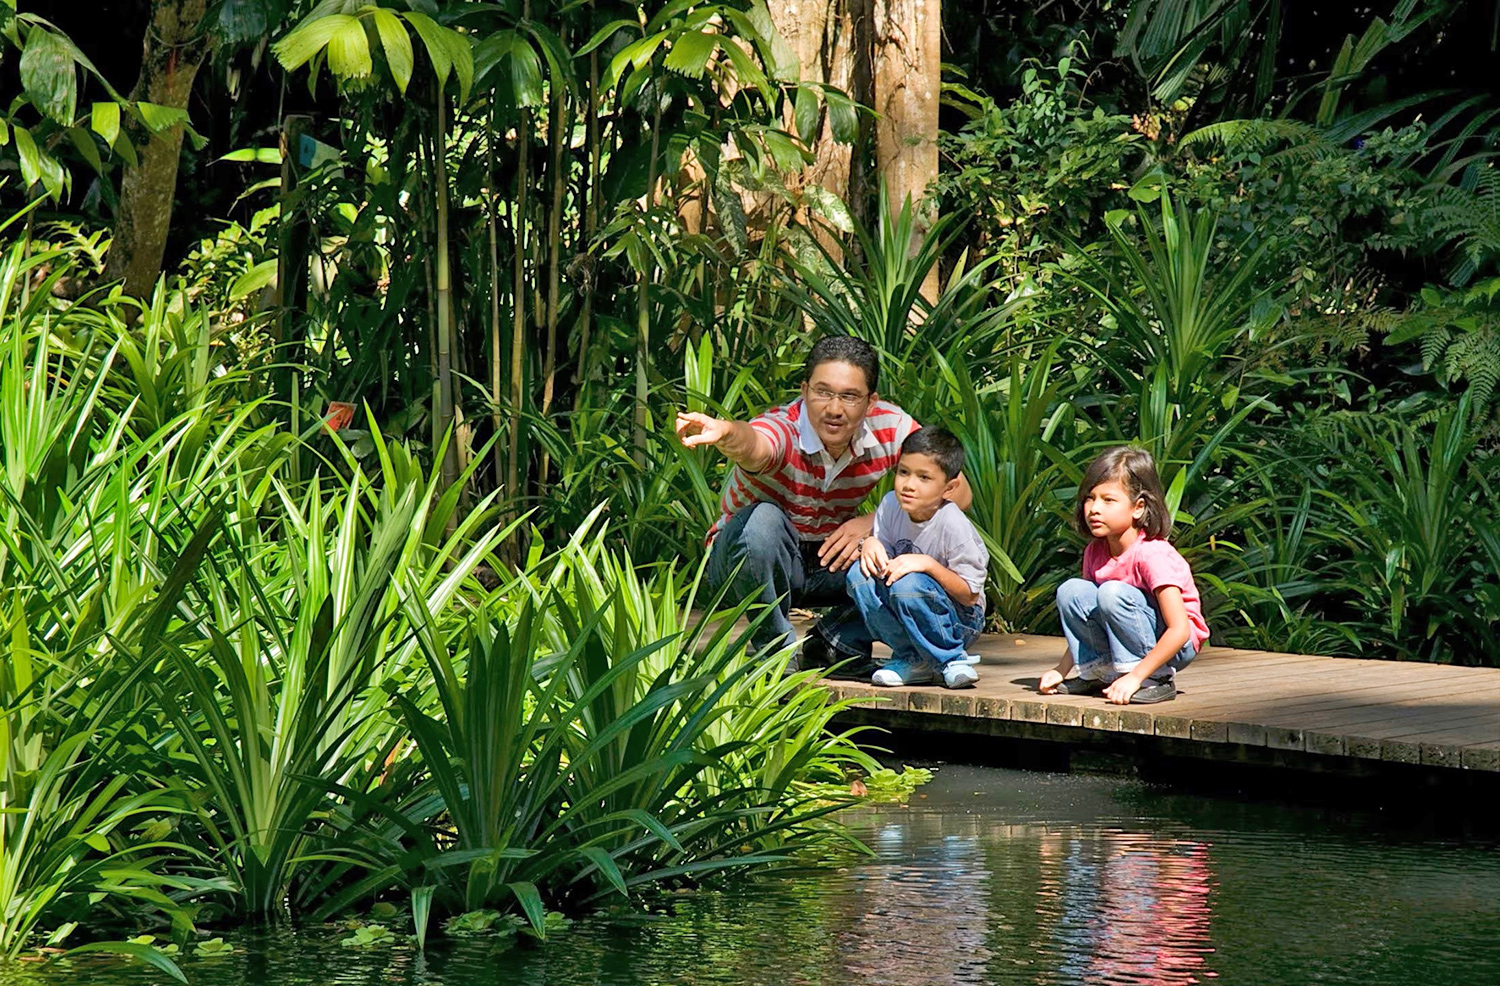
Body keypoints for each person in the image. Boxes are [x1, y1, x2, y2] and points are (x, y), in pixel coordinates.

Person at [675, 335, 971, 674]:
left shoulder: (891, 427)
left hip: (829, 556)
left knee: (916, 540)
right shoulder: (783, 428)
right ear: (804, 391)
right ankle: (775, 653)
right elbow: (755, 444)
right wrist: (727, 433)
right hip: (747, 561)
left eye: (849, 396)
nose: (834, 409)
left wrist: (874, 522)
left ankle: (835, 642)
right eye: (823, 392)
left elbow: (957, 492)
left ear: (871, 402)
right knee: (763, 521)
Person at [1038, 446, 1208, 704]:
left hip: (1176, 646)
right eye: (1090, 498)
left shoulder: (1153, 554)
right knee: (1072, 591)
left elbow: (1180, 629)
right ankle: (1100, 671)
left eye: (1108, 500)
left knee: (1112, 592)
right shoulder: (1095, 551)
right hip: (1129, 633)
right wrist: (1061, 669)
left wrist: (1136, 676)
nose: (1094, 509)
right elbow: (1087, 614)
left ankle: (1157, 678)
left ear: (1138, 507)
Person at [846, 427, 989, 689]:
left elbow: (969, 595)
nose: (909, 485)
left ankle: (951, 659)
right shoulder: (890, 506)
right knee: (859, 574)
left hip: (960, 621)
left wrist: (929, 565)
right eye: (903, 472)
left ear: (949, 488)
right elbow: (884, 565)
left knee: (908, 582)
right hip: (908, 606)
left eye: (924, 477)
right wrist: (869, 543)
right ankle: (911, 658)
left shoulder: (952, 524)